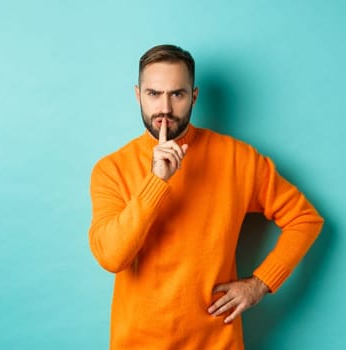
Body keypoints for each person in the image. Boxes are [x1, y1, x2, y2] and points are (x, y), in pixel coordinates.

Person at [87, 44, 324, 349]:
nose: (165, 109)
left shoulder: (239, 159)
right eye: (154, 94)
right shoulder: (111, 169)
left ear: (194, 96)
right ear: (138, 95)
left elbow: (305, 218)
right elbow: (112, 257)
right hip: (137, 342)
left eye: (177, 94)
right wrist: (157, 181)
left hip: (216, 342)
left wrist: (260, 284)